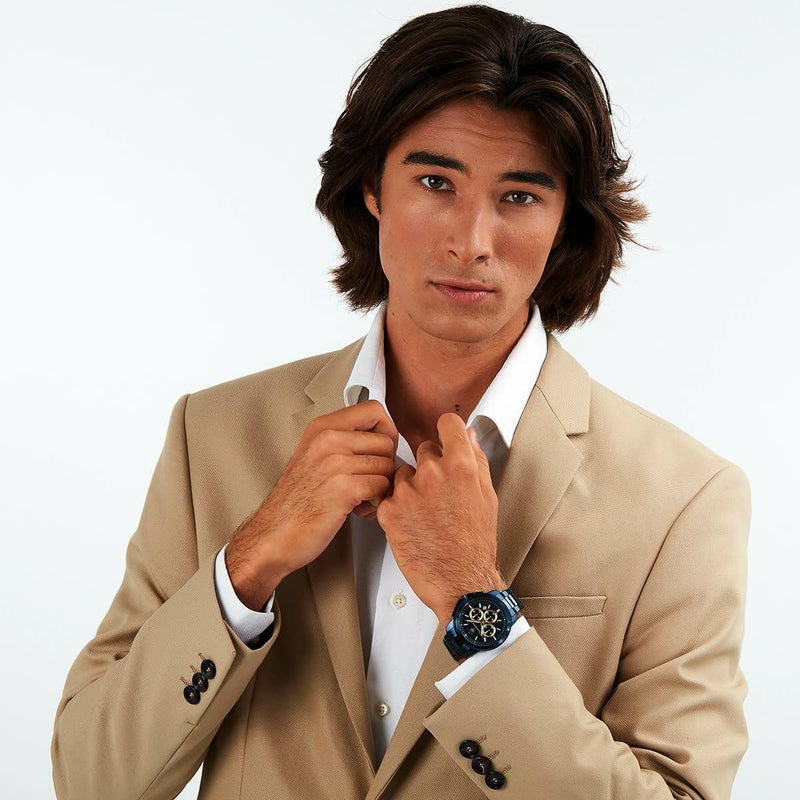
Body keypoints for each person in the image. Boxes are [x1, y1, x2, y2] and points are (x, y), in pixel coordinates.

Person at [51, 5, 751, 799]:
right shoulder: (211, 436)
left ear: (566, 223)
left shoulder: (684, 500)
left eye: (520, 197)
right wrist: (250, 561)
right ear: (371, 189)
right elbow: (92, 780)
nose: (471, 241)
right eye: (434, 182)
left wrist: (477, 606)